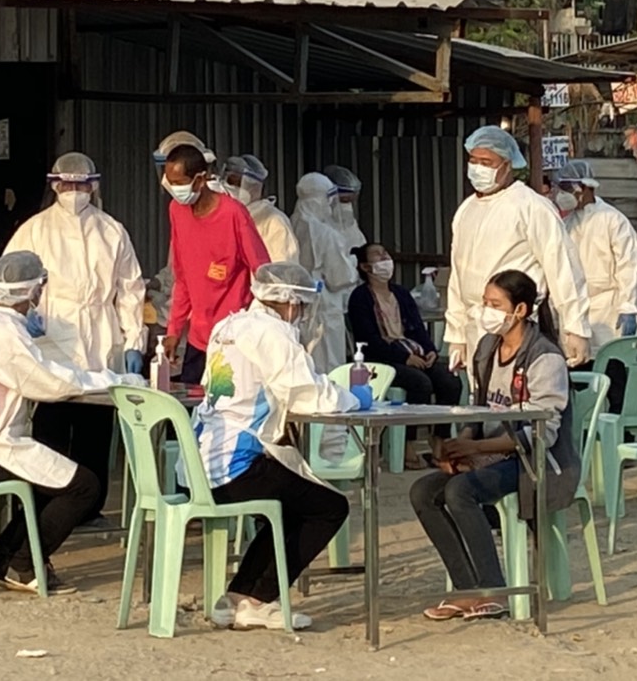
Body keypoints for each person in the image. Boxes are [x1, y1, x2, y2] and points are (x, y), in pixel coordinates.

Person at [0, 251, 140, 594]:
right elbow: (48, 382)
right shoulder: (0, 330)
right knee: (84, 487)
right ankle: (24, 565)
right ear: (32, 290)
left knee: (52, 478)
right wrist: (114, 380)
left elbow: (40, 373)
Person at [191, 261, 367, 631]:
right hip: (237, 464)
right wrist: (353, 398)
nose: (301, 314)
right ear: (289, 301)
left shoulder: (229, 325)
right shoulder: (272, 333)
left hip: (201, 461)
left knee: (289, 506)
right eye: (300, 305)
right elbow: (306, 392)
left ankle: (238, 597)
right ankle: (259, 599)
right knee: (329, 508)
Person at [411, 269, 578, 622]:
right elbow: (480, 407)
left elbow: (541, 433)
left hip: (535, 461)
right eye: (485, 302)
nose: (486, 311)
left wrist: (478, 450)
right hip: (490, 454)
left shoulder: (545, 357)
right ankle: (466, 589)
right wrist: (460, 445)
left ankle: (492, 589)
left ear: (520, 310)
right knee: (423, 492)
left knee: (460, 491)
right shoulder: (487, 347)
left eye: (495, 304)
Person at [2, 151, 148, 524]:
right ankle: (46, 507)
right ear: (54, 186)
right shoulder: (34, 230)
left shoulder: (111, 230)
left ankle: (89, 507)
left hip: (100, 332)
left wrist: (134, 340)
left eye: (81, 186)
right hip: (52, 330)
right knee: (51, 423)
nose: (74, 193)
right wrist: (25, 320)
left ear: (93, 186)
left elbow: (130, 290)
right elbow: (9, 280)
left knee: (94, 426)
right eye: (67, 186)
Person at [447, 125, 591, 373]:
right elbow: (458, 278)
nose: (478, 168)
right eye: (473, 160)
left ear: (507, 165)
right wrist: (456, 334)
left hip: (516, 324)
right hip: (475, 325)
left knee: (519, 391)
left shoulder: (531, 206)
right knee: (481, 393)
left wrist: (575, 327)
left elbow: (563, 268)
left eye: (487, 162)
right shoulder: (466, 210)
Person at [161, 143, 270, 385]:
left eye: (179, 183)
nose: (174, 190)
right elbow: (183, 277)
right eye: (170, 183)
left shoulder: (233, 214)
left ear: (200, 180)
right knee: (190, 401)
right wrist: (173, 331)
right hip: (198, 339)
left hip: (232, 338)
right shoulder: (177, 211)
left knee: (224, 403)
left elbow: (263, 271)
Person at [346, 242, 462, 462]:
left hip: (412, 352)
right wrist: (404, 358)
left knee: (450, 381)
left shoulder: (400, 293)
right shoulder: (359, 298)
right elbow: (368, 340)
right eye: (377, 255)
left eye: (385, 253)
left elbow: (417, 328)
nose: (385, 258)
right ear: (365, 267)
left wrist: (430, 350)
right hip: (380, 360)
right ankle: (408, 444)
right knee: (420, 383)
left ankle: (439, 439)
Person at [556, 160, 637, 412]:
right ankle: (585, 427)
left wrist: (629, 307)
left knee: (612, 374)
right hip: (577, 310)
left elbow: (629, 267)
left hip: (608, 310)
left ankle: (618, 427)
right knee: (580, 373)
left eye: (567, 188)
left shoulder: (613, 220)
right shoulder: (567, 224)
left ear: (584, 187)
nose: (561, 194)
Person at [291, 172, 359, 373]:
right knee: (330, 366)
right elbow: (339, 278)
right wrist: (352, 261)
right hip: (326, 308)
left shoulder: (292, 223)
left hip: (299, 307)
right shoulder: (327, 234)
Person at [222, 154, 300, 263]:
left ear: (253, 186)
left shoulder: (273, 221)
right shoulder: (226, 215)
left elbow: (282, 266)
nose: (229, 187)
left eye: (235, 183)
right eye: (227, 181)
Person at [324, 164, 368, 254]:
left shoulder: (352, 228)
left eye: (350, 202)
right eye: (343, 201)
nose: (346, 206)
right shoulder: (315, 227)